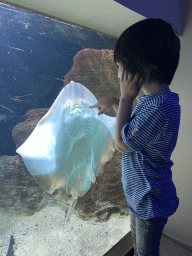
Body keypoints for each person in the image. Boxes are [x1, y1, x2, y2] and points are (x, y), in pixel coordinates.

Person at [89, 18, 181, 256]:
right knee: (138, 243)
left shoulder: (157, 109)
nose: (119, 74)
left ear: (140, 69)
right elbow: (136, 123)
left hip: (148, 198)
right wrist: (116, 102)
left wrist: (127, 98)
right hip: (143, 194)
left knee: (145, 252)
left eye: (120, 66)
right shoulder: (159, 100)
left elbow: (122, 143)